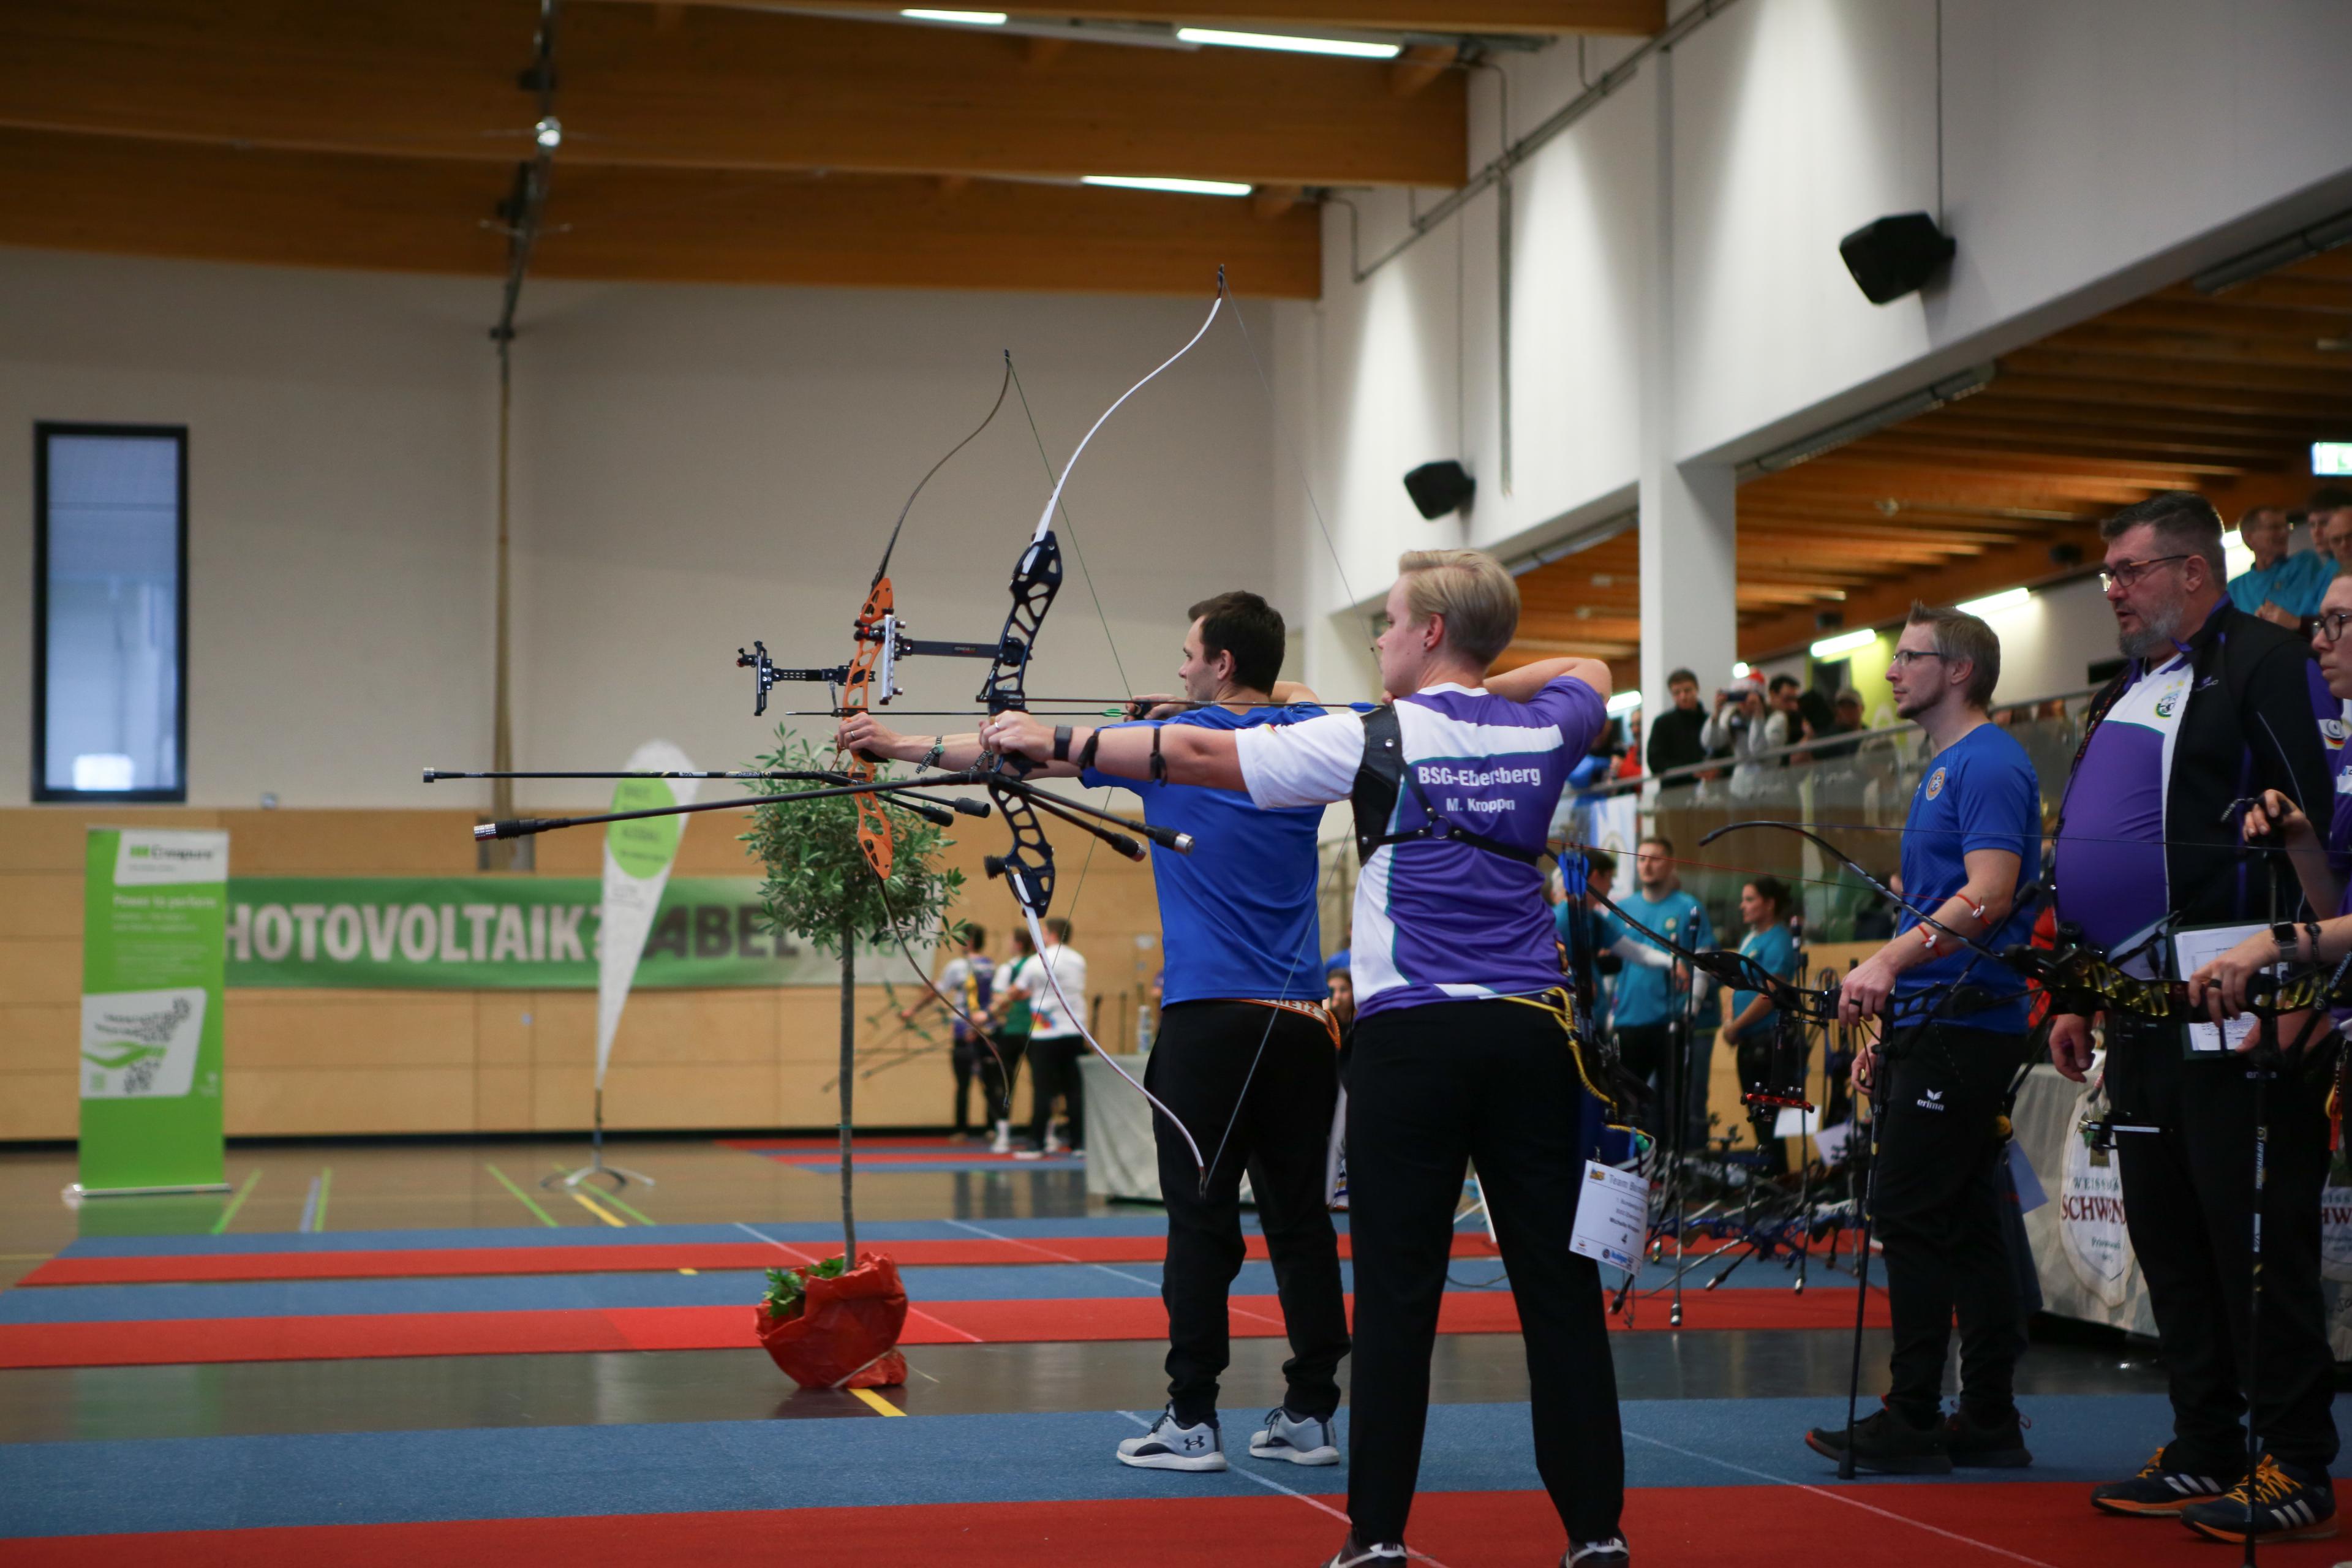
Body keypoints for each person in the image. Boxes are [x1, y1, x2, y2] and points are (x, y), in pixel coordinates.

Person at [979, 548, 1630, 1568]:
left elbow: (1201, 758)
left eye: (1391, 623)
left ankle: (1377, 1541)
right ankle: (1595, 1533)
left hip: (1413, 1047)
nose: (1379, 639)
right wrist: (1471, 685)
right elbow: (1589, 667)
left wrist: (1056, 740)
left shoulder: (1372, 738)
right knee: (1560, 1291)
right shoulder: (1546, 725)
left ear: (1429, 634)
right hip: (1531, 1036)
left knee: (1401, 1293)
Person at [843, 590, 1348, 1471]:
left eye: (1191, 654)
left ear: (1222, 662)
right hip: (1306, 1024)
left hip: (1210, 1025)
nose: (1179, 668)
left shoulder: (1164, 751)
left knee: (1200, 1223)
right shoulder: (1307, 738)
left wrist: (896, 746)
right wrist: (1207, 702)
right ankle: (1311, 1415)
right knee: (1301, 1223)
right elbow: (1298, 691)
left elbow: (1011, 755)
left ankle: (1192, 1419)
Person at [2046, 491, 2337, 1542]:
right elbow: (2095, 845)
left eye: (2129, 571)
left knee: (2249, 1240)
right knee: (2168, 1236)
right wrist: (2077, 991)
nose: (2113, 591)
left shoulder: (2265, 661)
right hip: (2138, 1006)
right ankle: (2205, 1441)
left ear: (2194, 571)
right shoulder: (2127, 686)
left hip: (2245, 1004)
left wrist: (2307, 992)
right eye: (2109, 575)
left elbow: (2313, 826)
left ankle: (2295, 1461)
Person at [1802, 602, 2041, 1476]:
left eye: (1909, 656)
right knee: (1966, 1218)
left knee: (1907, 1210)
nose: (1893, 671)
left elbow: (1991, 893)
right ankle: (1989, 1416)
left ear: (1961, 669)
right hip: (1939, 1019)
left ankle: (1911, 1415)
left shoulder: (1990, 762)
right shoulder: (1945, 764)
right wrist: (1897, 1020)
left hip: (1969, 1019)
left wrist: (1889, 962)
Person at [1600, 835, 1717, 1145]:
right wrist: (1611, 1011)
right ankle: (1636, 1165)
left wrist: (1691, 1010)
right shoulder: (1622, 908)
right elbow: (1612, 965)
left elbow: (1702, 960)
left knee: (1673, 1104)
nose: (1647, 865)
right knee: (1629, 1106)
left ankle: (1671, 1164)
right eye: (1642, 859)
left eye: (1655, 858)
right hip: (1629, 1020)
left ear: (1671, 863)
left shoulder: (1688, 907)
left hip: (1670, 1021)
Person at [1720, 876, 1800, 1167]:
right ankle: (1768, 1171)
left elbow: (1770, 992)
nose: (1743, 906)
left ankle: (1776, 1174)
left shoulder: (1778, 939)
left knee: (1768, 1117)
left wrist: (1737, 1025)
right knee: (1757, 1115)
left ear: (1769, 904)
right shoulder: (1750, 939)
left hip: (1768, 1044)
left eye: (1750, 899)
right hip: (1747, 1041)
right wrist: (1728, 1022)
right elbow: (1733, 985)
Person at [902, 924, 998, 1143]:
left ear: (969, 942)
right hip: (988, 1028)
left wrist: (913, 1009)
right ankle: (992, 1128)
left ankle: (961, 1129)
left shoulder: (958, 966)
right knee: (989, 1081)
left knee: (964, 1083)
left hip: (964, 1029)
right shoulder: (990, 965)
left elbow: (937, 992)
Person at [2225, 505, 2328, 627]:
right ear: (2249, 538)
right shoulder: (2235, 588)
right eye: (2274, 528)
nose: (2285, 533)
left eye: (2286, 527)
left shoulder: (2304, 563)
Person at [1646, 667, 1709, 786]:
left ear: (1697, 689)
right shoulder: (1662, 724)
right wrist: (1690, 772)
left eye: (1687, 691)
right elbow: (1655, 762)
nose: (1683, 697)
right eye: (1677, 693)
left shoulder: (1709, 721)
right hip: (1674, 791)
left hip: (1711, 787)